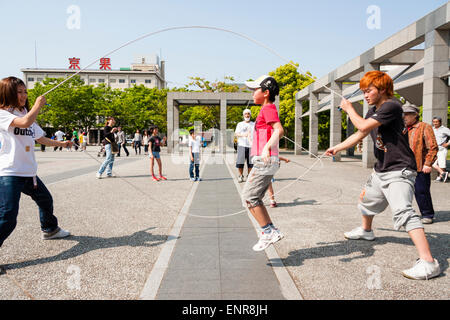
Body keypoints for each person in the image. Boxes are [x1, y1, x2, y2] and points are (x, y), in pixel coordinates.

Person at [325, 71, 440, 280]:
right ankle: (366, 230)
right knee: (367, 200)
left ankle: (429, 263)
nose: (365, 95)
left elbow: (360, 125)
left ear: (383, 89)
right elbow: (360, 133)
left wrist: (350, 109)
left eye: (368, 90)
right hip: (382, 169)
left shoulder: (392, 105)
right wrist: (338, 147)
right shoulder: (374, 110)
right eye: (363, 91)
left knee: (404, 212)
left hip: (399, 169)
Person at [0, 77, 72, 254]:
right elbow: (24, 123)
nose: (24, 95)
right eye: (19, 92)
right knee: (8, 217)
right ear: (7, 92)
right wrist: (38, 105)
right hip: (10, 172)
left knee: (45, 200)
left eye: (25, 92)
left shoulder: (25, 113)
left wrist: (62, 144)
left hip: (29, 172)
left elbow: (40, 138)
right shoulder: (3, 113)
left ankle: (50, 229)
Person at [241, 75, 284, 252]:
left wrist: (266, 148)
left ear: (265, 93)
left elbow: (279, 130)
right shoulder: (265, 109)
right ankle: (270, 230)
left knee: (249, 197)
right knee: (254, 198)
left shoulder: (268, 108)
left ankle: (268, 232)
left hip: (264, 161)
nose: (252, 94)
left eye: (255, 90)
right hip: (266, 159)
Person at [402, 103, 438, 224]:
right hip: (403, 166)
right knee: (403, 192)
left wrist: (428, 163)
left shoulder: (424, 127)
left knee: (421, 191)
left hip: (419, 166)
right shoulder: (402, 128)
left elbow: (432, 147)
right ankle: (406, 213)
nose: (404, 117)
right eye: (403, 114)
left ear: (415, 115)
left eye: (407, 114)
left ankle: (427, 214)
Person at [235, 109, 255, 183]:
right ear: (243, 115)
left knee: (251, 163)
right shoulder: (240, 124)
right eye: (245, 114)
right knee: (240, 162)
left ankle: (249, 176)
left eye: (248, 114)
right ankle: (240, 176)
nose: (247, 115)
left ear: (250, 115)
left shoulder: (253, 124)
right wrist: (244, 135)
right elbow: (236, 133)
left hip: (251, 146)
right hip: (242, 145)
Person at [431, 116, 450, 183]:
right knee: (432, 163)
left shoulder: (445, 129)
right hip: (433, 149)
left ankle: (440, 177)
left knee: (442, 164)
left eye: (436, 122)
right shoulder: (432, 129)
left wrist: (447, 144)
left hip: (442, 149)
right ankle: (444, 174)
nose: (435, 123)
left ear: (440, 122)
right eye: (434, 122)